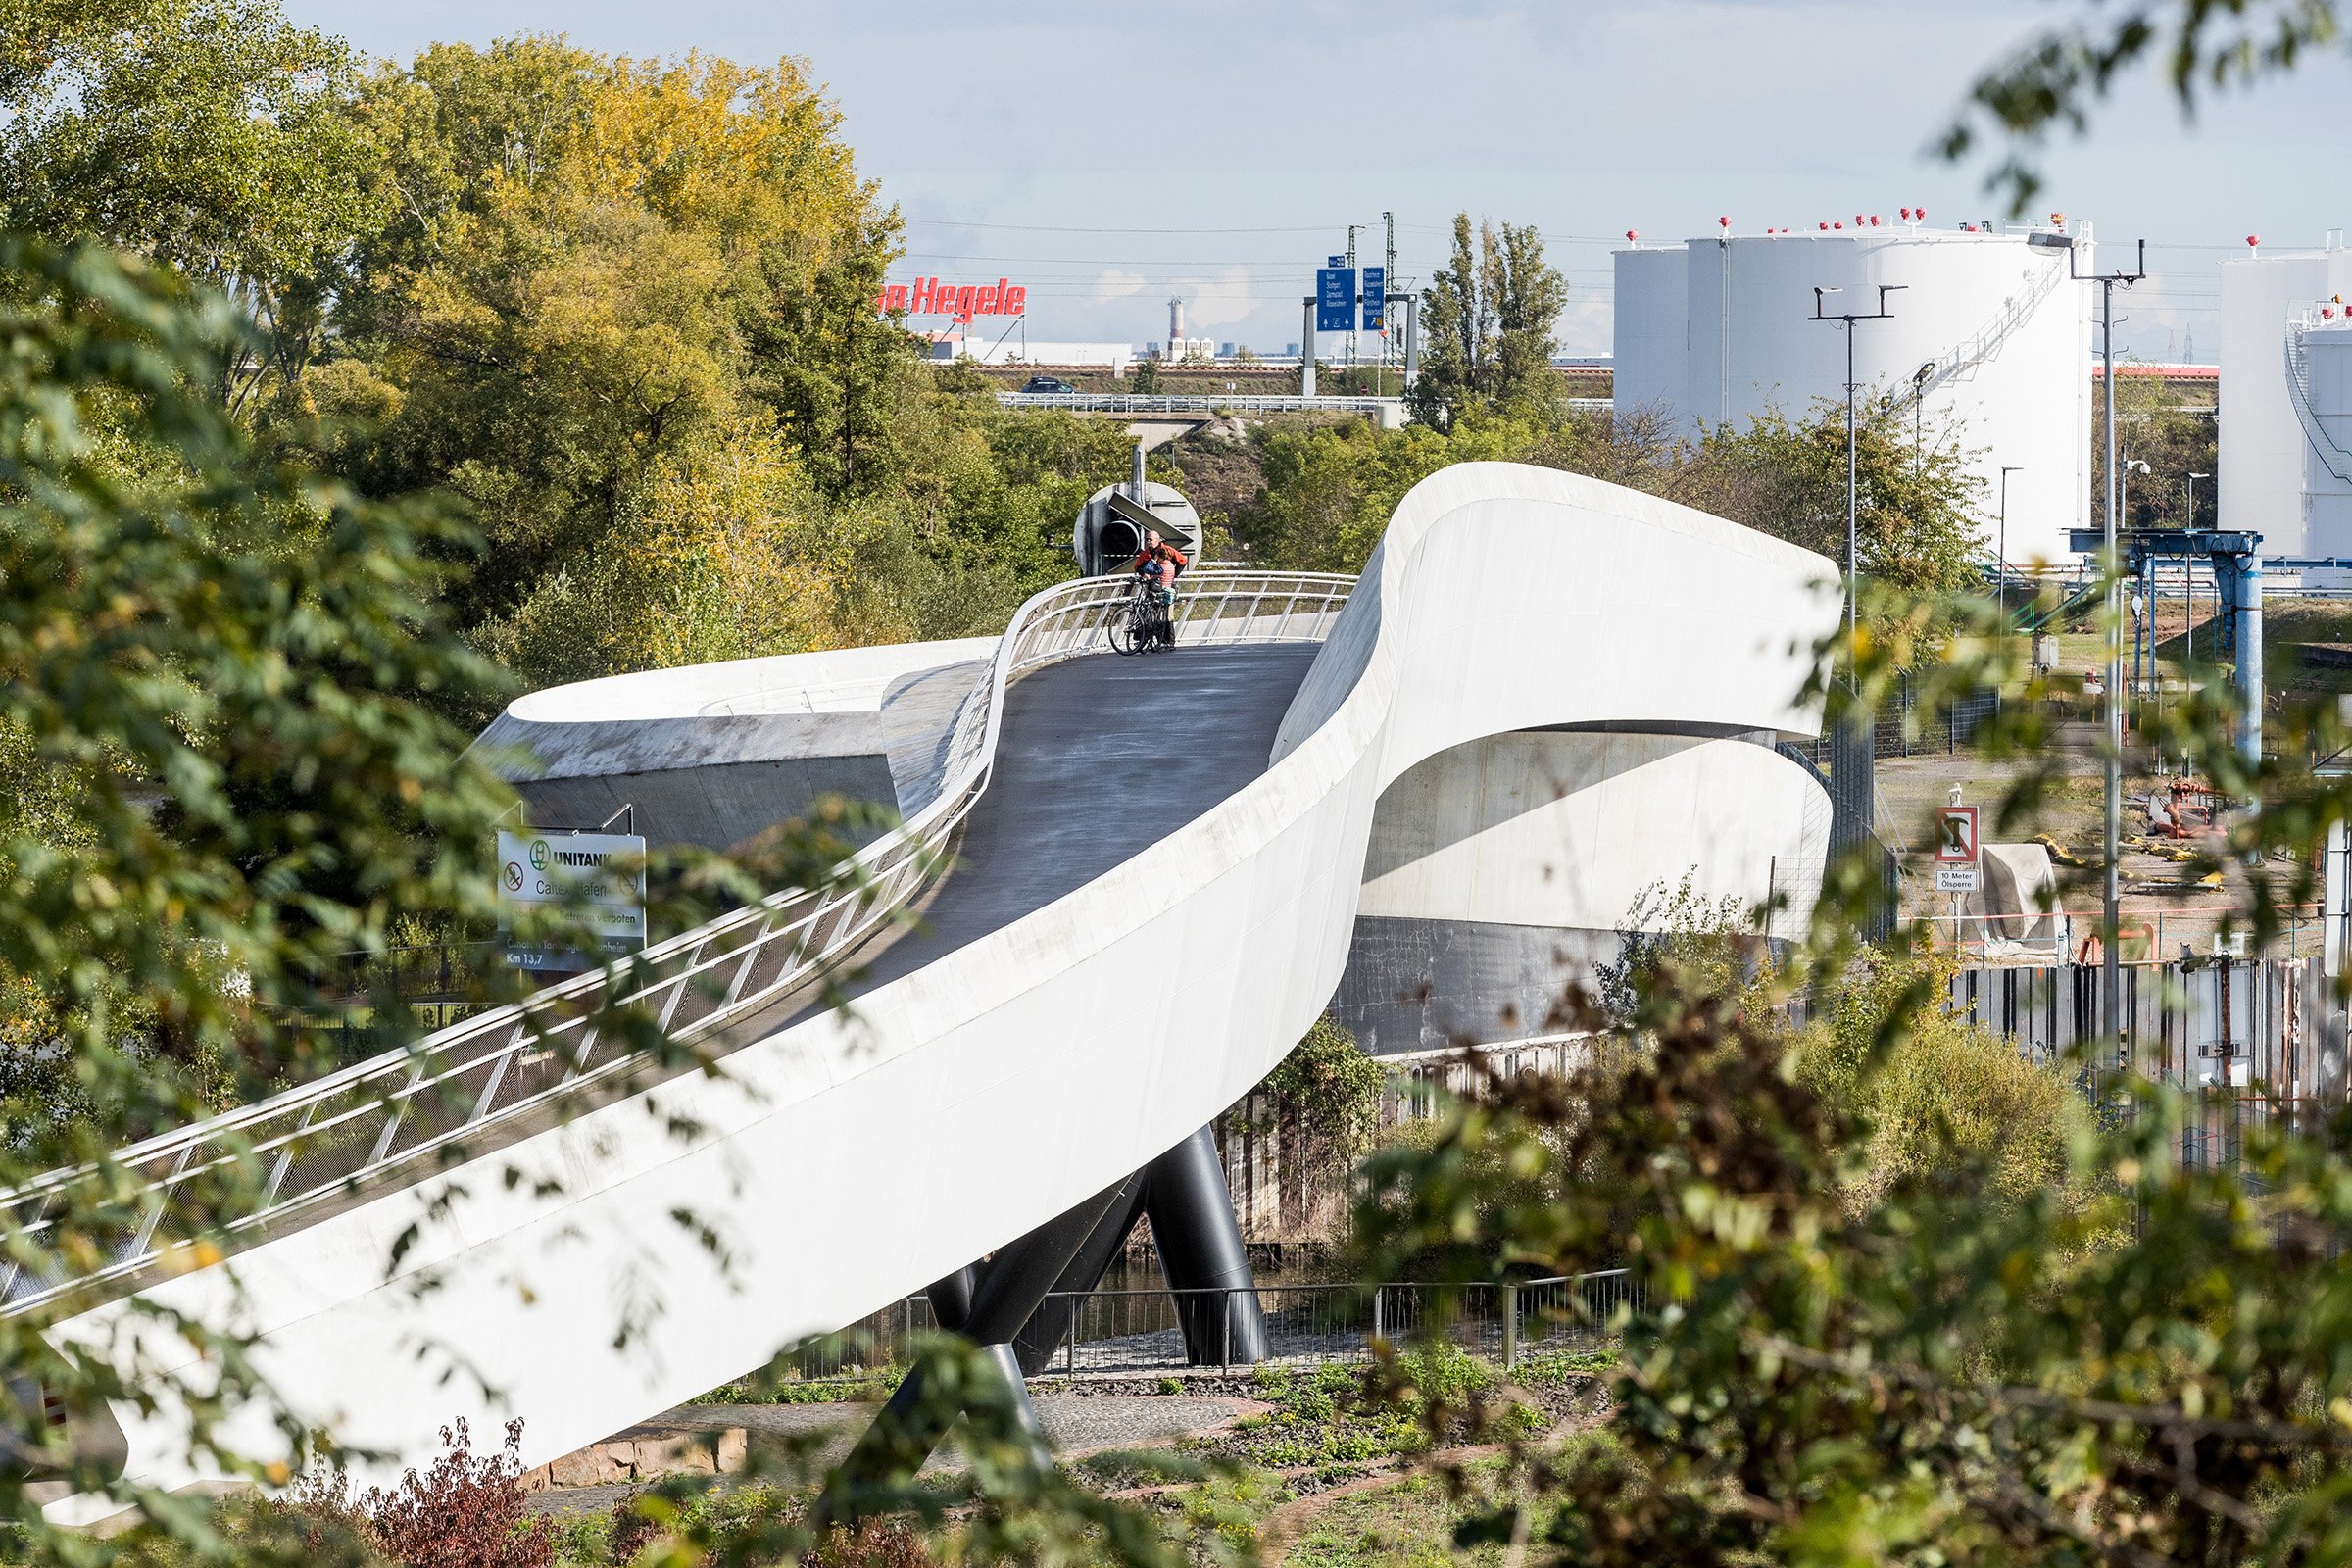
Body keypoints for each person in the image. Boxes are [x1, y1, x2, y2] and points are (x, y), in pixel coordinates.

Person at [1132, 528, 1187, 648]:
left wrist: (1173, 576)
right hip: (1153, 585)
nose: (1148, 542)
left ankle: (1168, 641)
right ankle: (1153, 639)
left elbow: (1183, 560)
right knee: (1151, 611)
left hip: (1167, 587)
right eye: (1147, 539)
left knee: (1167, 614)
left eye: (1150, 539)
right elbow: (1137, 567)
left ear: (1158, 540)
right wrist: (1144, 575)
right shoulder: (1145, 554)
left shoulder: (1167, 550)